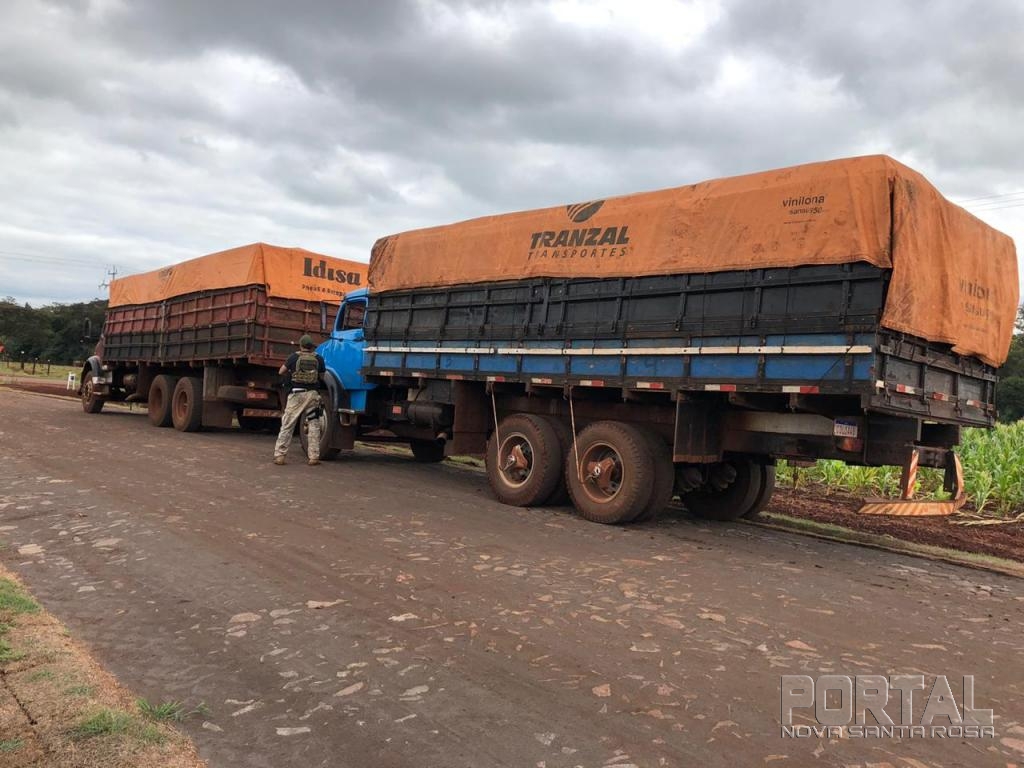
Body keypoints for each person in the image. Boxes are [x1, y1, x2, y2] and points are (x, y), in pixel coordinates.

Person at [273, 334, 326, 466]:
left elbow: (281, 371)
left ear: (300, 345)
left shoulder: (294, 357)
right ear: (311, 346)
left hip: (296, 395)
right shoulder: (319, 359)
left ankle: (280, 455)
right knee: (314, 425)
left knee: (288, 424)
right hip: (312, 396)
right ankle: (314, 457)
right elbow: (322, 376)